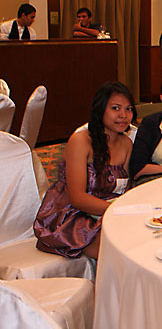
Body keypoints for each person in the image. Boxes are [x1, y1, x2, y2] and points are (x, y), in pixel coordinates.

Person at [34, 82, 136, 259]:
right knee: (119, 250)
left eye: (129, 109)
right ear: (100, 110)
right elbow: (77, 198)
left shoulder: (126, 144)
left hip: (108, 210)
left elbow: (125, 188)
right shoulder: (81, 141)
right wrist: (116, 210)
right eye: (115, 108)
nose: (123, 115)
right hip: (72, 215)